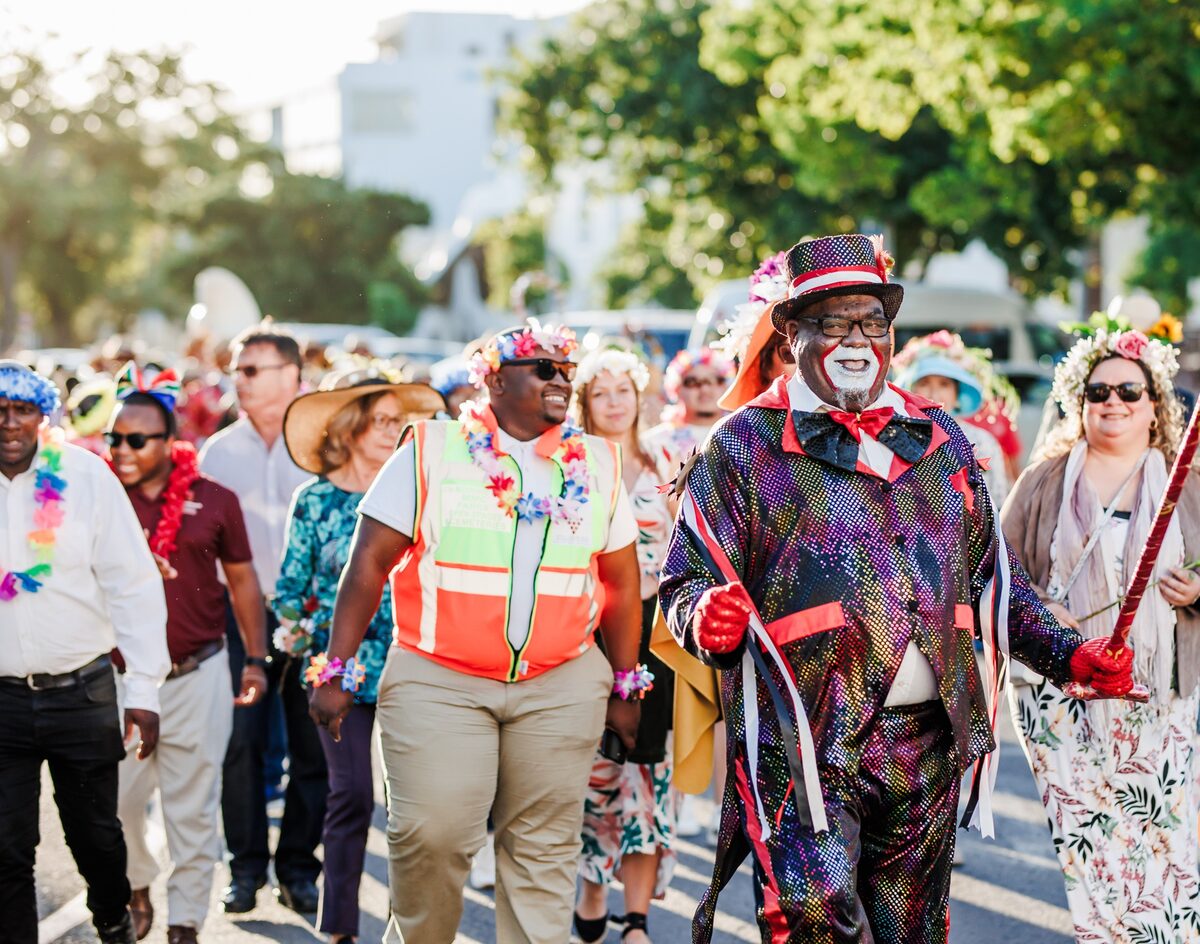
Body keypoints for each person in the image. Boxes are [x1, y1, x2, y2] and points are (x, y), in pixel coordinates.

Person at [657, 233, 1135, 944]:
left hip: (926, 742)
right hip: (804, 743)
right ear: (791, 334)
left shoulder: (938, 437)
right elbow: (687, 575)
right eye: (833, 322)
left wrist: (1068, 655)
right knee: (814, 922)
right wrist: (704, 615)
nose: (857, 340)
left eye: (872, 322)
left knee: (912, 933)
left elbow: (993, 575)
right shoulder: (743, 443)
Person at [309, 320, 645, 944]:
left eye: (566, 370)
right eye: (543, 368)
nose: (560, 380)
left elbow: (622, 582)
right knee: (431, 833)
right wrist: (336, 671)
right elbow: (367, 565)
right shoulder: (431, 448)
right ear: (493, 379)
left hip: (561, 681)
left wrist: (626, 684)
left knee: (543, 853)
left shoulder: (597, 460)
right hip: (439, 677)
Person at [1001, 326, 1200, 942]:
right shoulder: (1044, 480)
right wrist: (1041, 616)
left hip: (1158, 692)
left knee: (1163, 837)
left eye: (1128, 392)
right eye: (1098, 392)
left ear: (1154, 405)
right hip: (1060, 694)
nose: (1112, 402)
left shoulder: (1185, 483)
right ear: (1079, 402)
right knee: (1091, 839)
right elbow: (992, 571)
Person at [0, 361, 169, 944]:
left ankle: (113, 920)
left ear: (43, 415)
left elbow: (133, 584)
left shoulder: (85, 476)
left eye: (22, 409)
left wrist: (144, 690)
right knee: (4, 852)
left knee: (97, 837)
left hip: (83, 692)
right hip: (0, 703)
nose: (9, 423)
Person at [275, 367, 442, 944]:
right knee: (349, 794)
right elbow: (289, 591)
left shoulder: (421, 491)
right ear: (349, 427)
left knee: (414, 808)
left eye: (402, 420)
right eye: (385, 420)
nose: (396, 430)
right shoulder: (314, 500)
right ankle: (339, 927)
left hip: (411, 663)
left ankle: (410, 926)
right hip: (336, 670)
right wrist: (299, 639)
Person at [106, 364, 268, 944]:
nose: (121, 449)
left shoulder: (214, 499)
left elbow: (243, 582)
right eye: (114, 438)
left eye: (136, 439)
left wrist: (255, 658)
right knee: (116, 806)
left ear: (169, 441)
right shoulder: (98, 499)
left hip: (197, 672)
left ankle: (185, 926)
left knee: (193, 812)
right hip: (119, 681)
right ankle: (137, 883)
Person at [198, 321, 326, 914]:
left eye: (251, 371)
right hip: (239, 617)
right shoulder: (218, 452)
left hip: (314, 617)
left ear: (292, 376)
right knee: (240, 746)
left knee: (313, 747)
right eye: (236, 371)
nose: (238, 382)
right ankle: (244, 870)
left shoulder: (328, 443)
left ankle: (299, 869)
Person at [572, 349, 678, 944]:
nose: (614, 402)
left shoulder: (665, 460)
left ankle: (635, 918)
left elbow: (690, 544)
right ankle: (591, 884)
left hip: (655, 634)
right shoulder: (571, 463)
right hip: (589, 631)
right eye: (600, 392)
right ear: (586, 403)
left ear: (639, 396)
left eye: (623, 390)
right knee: (593, 767)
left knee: (645, 770)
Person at [891, 330, 1012, 506]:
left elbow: (998, 504)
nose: (933, 393)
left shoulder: (981, 441)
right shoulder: (895, 437)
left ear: (957, 395)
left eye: (944, 384)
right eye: (924, 383)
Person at [715, 249, 796, 413]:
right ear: (765, 365)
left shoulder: (858, 427)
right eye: (791, 353)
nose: (808, 363)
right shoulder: (740, 434)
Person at [643, 348, 732, 470]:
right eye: (692, 382)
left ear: (726, 386)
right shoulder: (653, 444)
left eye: (715, 380)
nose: (704, 389)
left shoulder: (745, 437)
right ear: (676, 388)